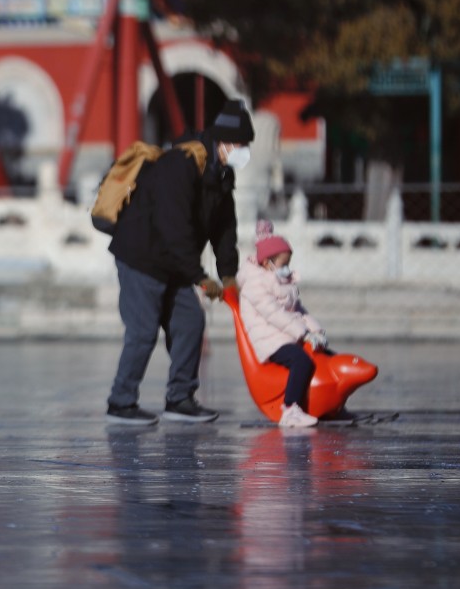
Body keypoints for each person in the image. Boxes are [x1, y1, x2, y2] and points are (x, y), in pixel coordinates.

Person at [105, 98, 255, 425]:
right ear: (224, 142)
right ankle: (121, 402)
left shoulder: (221, 175)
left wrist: (227, 274)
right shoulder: (180, 165)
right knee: (143, 332)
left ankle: (180, 399)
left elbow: (225, 229)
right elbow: (175, 228)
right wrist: (201, 277)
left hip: (173, 263)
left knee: (189, 323)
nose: (244, 152)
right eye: (241, 144)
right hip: (141, 257)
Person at [235, 220, 326, 429]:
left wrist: (315, 330)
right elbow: (274, 314)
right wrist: (303, 334)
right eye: (283, 264)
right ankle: (290, 408)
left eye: (288, 263)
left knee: (323, 354)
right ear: (267, 263)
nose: (286, 269)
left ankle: (328, 403)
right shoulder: (255, 285)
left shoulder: (282, 282)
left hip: (286, 334)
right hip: (271, 340)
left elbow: (298, 310)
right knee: (301, 361)